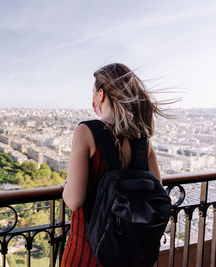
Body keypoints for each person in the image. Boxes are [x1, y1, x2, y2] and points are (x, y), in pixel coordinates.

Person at [61, 63, 168, 267]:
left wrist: (66, 184)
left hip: (87, 252)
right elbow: (154, 195)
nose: (92, 98)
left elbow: (74, 200)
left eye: (93, 93)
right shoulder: (143, 141)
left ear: (101, 95)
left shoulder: (86, 131)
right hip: (129, 255)